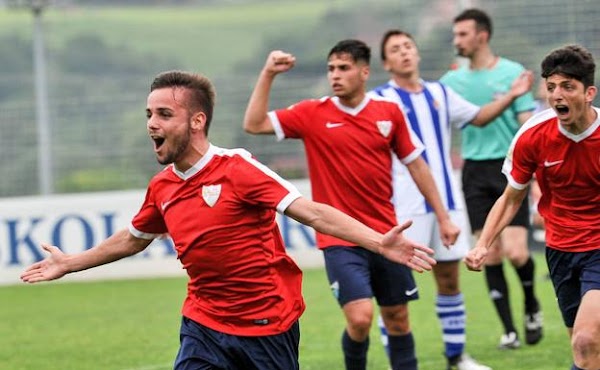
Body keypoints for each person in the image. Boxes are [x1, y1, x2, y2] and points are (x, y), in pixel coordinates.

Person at [20, 71, 438, 370]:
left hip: (266, 324)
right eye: (149, 113)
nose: (152, 123)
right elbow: (133, 238)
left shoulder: (237, 168)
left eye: (164, 114)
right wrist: (71, 262)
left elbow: (312, 212)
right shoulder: (162, 186)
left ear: (196, 121)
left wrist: (378, 241)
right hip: (202, 322)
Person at [243, 39, 459, 370]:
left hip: (388, 236)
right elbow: (254, 124)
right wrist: (268, 73)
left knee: (398, 318)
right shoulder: (312, 113)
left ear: (364, 71)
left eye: (343, 68)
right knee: (360, 319)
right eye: (331, 69)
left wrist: (443, 218)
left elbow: (417, 165)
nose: (335, 75)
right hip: (340, 239)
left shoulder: (388, 113)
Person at [371, 29, 533, 370]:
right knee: (396, 288)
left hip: (447, 204)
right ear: (386, 63)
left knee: (449, 279)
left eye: (408, 46)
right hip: (403, 208)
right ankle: (398, 361)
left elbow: (478, 116)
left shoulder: (439, 92)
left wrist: (512, 96)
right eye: (395, 50)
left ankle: (457, 357)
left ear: (416, 53)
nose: (404, 53)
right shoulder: (378, 101)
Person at [465, 44, 600, 370]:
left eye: (568, 87)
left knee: (586, 340)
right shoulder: (532, 136)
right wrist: (483, 244)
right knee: (584, 352)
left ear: (588, 93)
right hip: (560, 250)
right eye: (551, 87)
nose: (557, 95)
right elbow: (512, 197)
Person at [440, 8, 543, 350]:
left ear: (481, 36)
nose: (457, 42)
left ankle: (531, 305)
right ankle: (509, 331)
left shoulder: (512, 73)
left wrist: (539, 180)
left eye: (462, 35)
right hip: (473, 172)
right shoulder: (451, 81)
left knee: (515, 252)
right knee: (490, 253)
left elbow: (528, 122)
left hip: (510, 168)